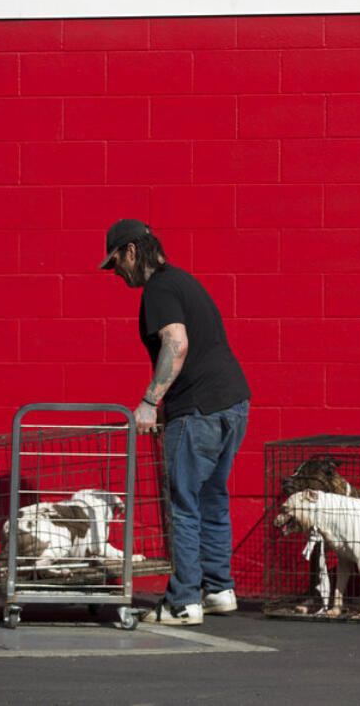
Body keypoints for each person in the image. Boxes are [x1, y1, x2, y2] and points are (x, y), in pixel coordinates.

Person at [99, 219, 251, 626]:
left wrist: (150, 401)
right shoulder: (184, 281)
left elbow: (177, 342)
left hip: (198, 410)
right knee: (212, 498)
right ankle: (218, 589)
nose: (116, 273)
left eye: (115, 263)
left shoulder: (159, 288)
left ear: (131, 251)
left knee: (182, 505)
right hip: (233, 403)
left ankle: (184, 601)